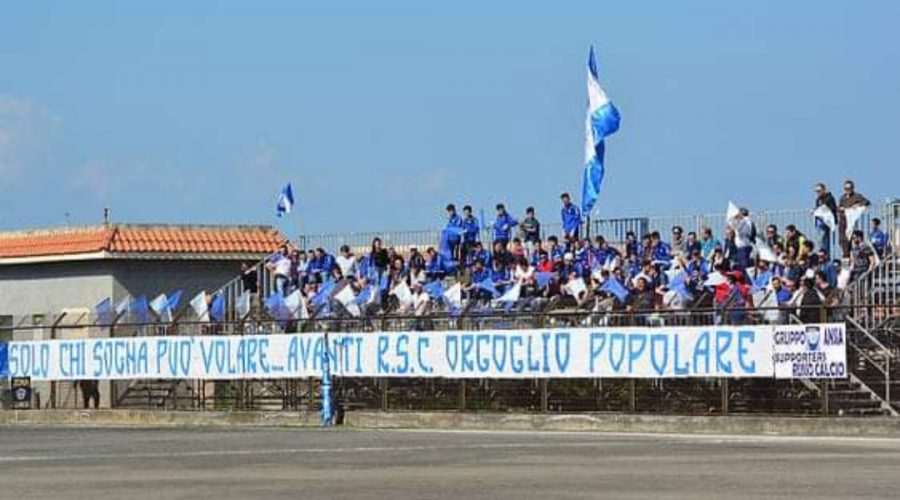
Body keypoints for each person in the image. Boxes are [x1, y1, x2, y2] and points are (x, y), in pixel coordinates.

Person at [838, 179, 871, 259]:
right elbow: (839, 207)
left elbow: (867, 202)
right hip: (843, 220)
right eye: (846, 188)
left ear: (852, 188)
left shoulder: (857, 196)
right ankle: (846, 256)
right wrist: (840, 208)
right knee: (842, 240)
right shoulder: (842, 197)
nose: (847, 190)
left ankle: (852, 256)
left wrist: (857, 205)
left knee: (852, 239)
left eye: (849, 188)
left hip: (852, 221)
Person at [813, 183, 838, 257]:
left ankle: (825, 256)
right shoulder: (818, 199)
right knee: (820, 241)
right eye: (816, 191)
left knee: (823, 241)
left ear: (824, 190)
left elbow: (831, 209)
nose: (817, 193)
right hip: (819, 222)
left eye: (819, 191)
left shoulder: (829, 198)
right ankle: (822, 255)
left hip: (826, 222)